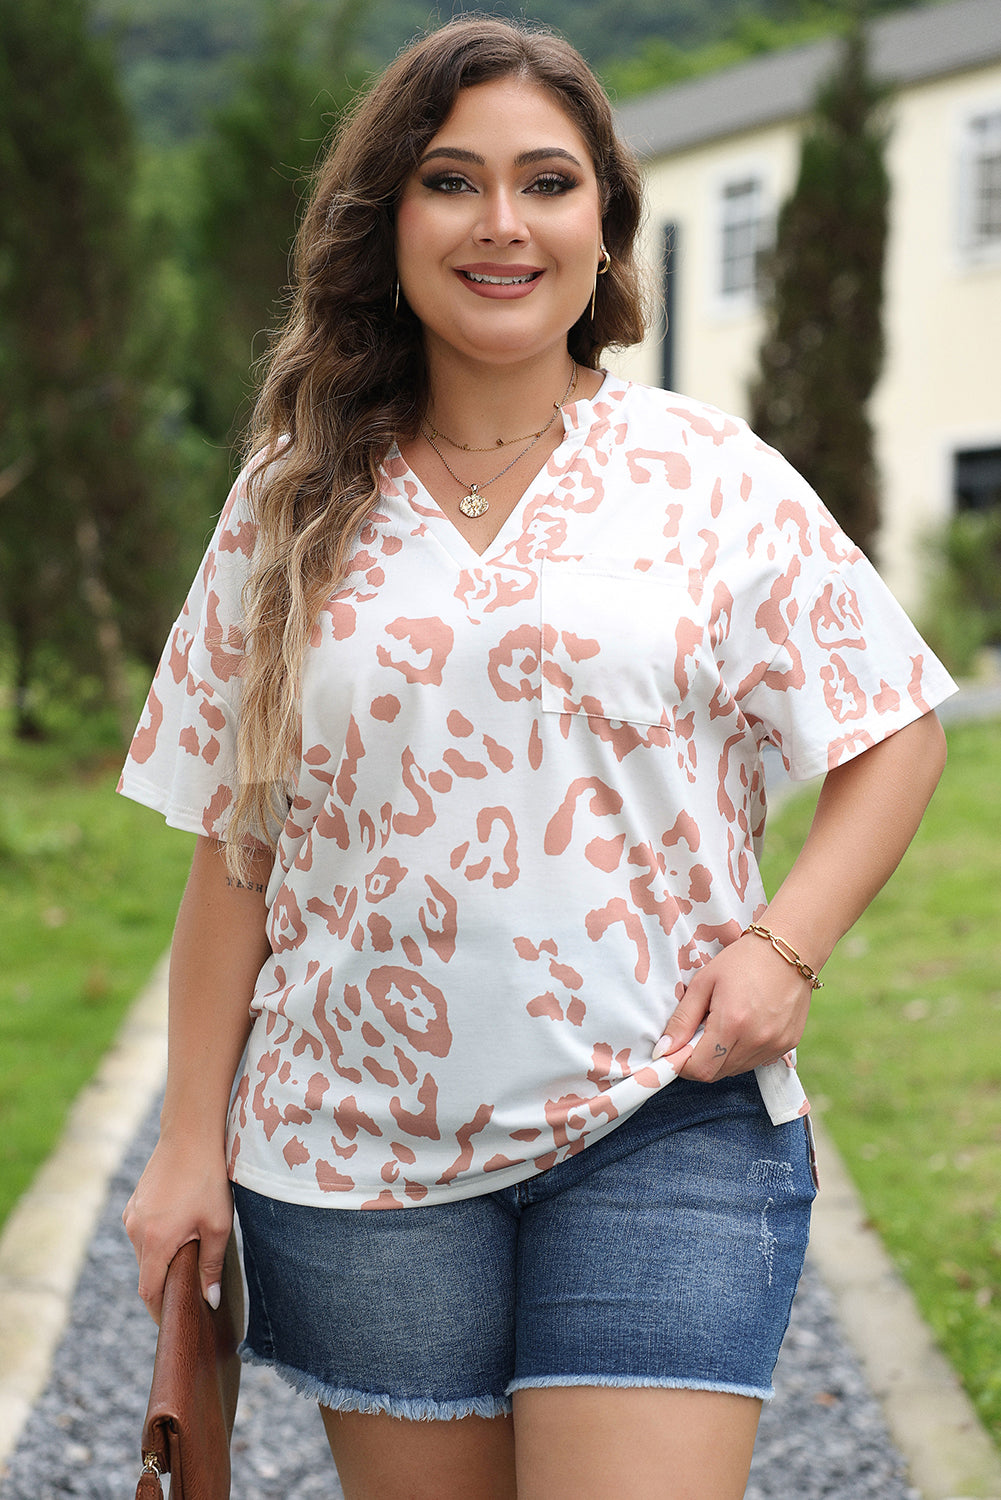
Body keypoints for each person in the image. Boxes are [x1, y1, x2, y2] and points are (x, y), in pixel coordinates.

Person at [120, 16, 955, 1500]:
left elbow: (890, 724)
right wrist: (188, 1146)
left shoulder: (707, 475)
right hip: (359, 1154)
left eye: (547, 182)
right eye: (453, 180)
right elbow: (236, 845)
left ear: (601, 226)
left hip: (663, 1117)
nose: (502, 223)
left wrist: (783, 946)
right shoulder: (288, 499)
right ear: (390, 224)